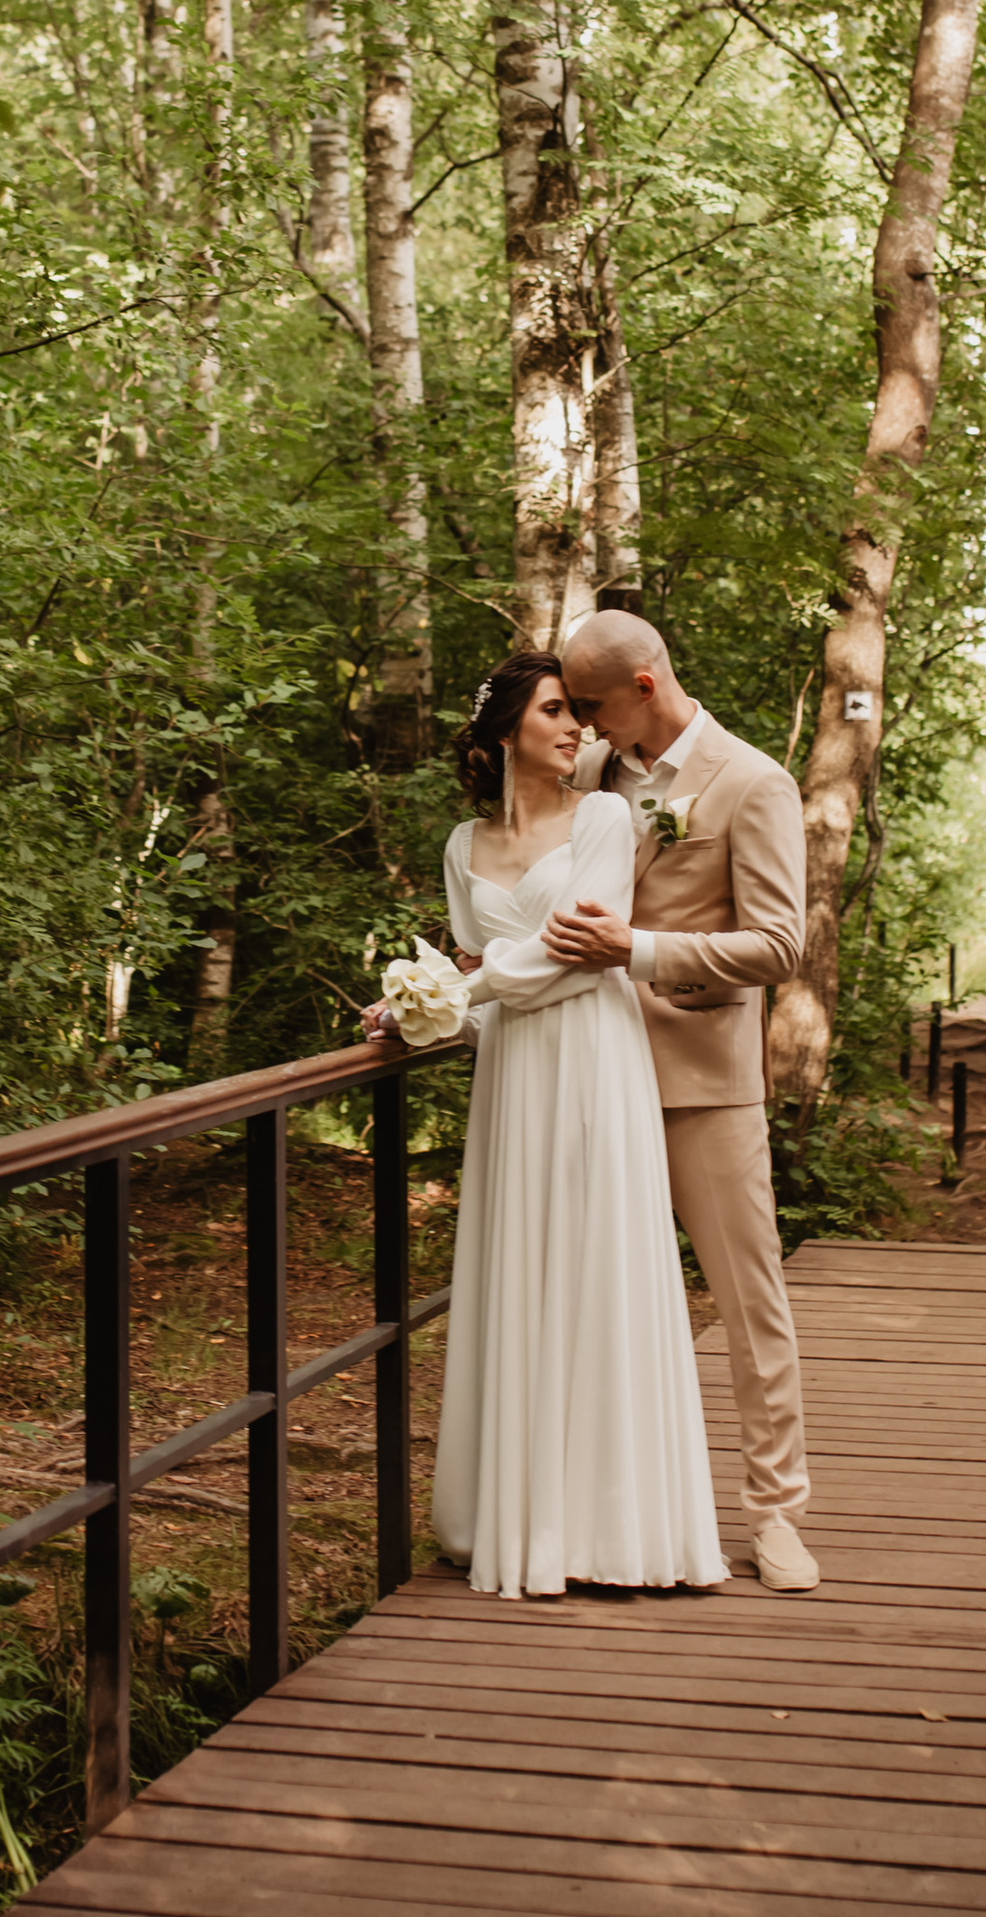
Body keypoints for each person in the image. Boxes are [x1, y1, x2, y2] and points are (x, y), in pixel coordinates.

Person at [365, 651, 727, 1600]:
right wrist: (427, 1010)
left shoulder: (604, 819)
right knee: (520, 1273)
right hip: (514, 1077)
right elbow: (484, 991)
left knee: (600, 1268)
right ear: (505, 732)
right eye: (558, 712)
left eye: (579, 713)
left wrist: (446, 988)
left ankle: (615, 1527)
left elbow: (568, 958)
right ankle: (513, 1516)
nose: (579, 729)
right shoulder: (459, 847)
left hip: (596, 1062)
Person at [543, 608, 819, 1593]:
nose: (579, 723)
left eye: (590, 704)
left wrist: (643, 951)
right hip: (590, 1074)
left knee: (749, 1300)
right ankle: (589, 1514)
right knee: (587, 1300)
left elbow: (778, 944)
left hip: (703, 1082)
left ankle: (777, 1512)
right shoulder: (588, 778)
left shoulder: (752, 782)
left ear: (644, 686)